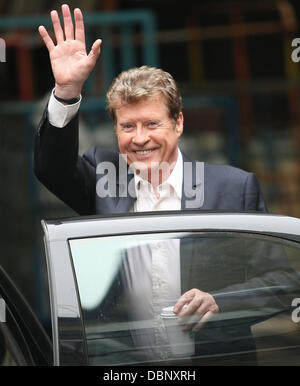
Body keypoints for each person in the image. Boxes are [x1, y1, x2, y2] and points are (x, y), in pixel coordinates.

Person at [34, 5, 298, 363]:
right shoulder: (104, 176)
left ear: (178, 124)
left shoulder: (232, 188)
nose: (139, 138)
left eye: (152, 124)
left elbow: (283, 280)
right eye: (128, 127)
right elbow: (51, 168)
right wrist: (66, 91)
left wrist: (223, 302)